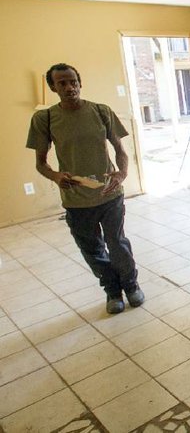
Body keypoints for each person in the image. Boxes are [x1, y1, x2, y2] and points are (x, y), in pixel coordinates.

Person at [26, 63, 144, 314]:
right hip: (76, 200)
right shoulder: (44, 118)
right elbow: (40, 163)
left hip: (109, 195)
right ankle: (112, 291)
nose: (69, 87)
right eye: (62, 83)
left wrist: (121, 174)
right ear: (53, 87)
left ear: (80, 82)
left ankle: (131, 286)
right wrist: (57, 176)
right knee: (92, 249)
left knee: (118, 243)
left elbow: (121, 151)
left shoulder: (101, 112)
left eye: (73, 81)